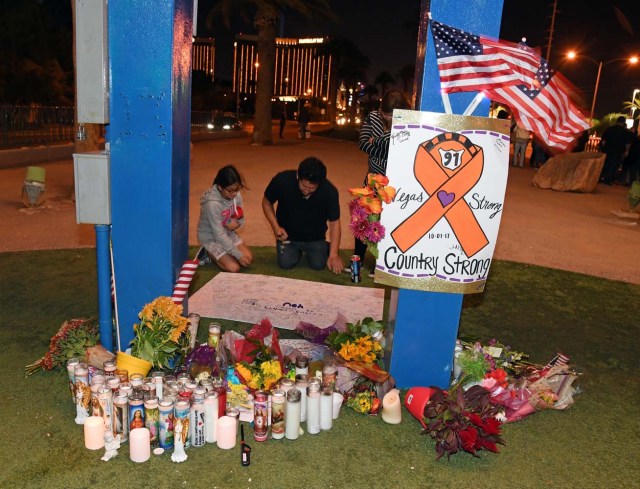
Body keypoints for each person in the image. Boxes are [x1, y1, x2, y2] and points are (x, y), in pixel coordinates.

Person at [348, 90, 410, 277]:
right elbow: (363, 144)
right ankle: (357, 257)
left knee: (389, 222)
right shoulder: (373, 117)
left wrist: (379, 141)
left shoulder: (408, 122)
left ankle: (382, 265)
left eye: (392, 115)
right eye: (385, 114)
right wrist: (386, 145)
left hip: (396, 181)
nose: (387, 118)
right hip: (373, 178)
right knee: (363, 220)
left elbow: (404, 149)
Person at [262, 157, 344, 274]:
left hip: (315, 236)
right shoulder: (282, 180)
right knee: (285, 264)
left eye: (312, 188)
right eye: (304, 186)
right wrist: (276, 227)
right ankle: (299, 250)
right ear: (297, 177)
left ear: (320, 183)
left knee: (318, 265)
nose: (307, 191)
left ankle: (325, 246)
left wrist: (334, 254)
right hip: (288, 236)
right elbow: (266, 202)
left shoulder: (329, 191)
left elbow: (335, 223)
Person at [197, 165, 253, 272]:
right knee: (234, 268)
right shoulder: (212, 204)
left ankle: (225, 253)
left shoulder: (236, 195)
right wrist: (237, 254)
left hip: (228, 233)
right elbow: (218, 235)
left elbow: (241, 218)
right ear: (220, 187)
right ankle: (206, 251)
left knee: (248, 259)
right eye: (230, 191)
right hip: (211, 237)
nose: (234, 194)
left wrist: (238, 223)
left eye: (236, 190)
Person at [600, 116, 632, 185]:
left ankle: (600, 178)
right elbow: (627, 143)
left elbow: (603, 140)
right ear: (623, 123)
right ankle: (607, 180)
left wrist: (603, 148)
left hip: (607, 149)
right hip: (617, 151)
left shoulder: (609, 129)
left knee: (605, 164)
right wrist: (627, 151)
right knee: (613, 165)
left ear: (617, 121)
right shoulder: (624, 132)